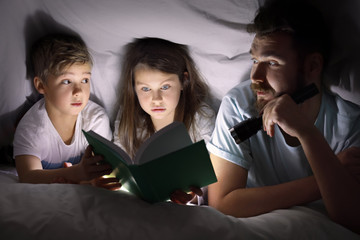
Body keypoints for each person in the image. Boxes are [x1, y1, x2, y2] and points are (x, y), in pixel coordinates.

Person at [207, 0, 360, 233]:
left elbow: (353, 220)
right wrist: (332, 173)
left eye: (271, 62)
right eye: (255, 61)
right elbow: (222, 203)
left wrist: (307, 133)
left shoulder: (350, 124)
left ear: (313, 65)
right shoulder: (239, 105)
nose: (255, 77)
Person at [113, 37, 216, 203]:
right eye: (145, 89)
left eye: (165, 87)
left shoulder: (201, 118)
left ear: (184, 81)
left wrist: (191, 196)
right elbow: (120, 163)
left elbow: (208, 179)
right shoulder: (129, 115)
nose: (156, 99)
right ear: (134, 87)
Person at [13, 33, 121, 190]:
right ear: (41, 85)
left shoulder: (96, 119)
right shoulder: (31, 128)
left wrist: (89, 181)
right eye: (67, 81)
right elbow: (28, 176)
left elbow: (99, 170)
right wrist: (76, 173)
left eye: (84, 80)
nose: (78, 91)